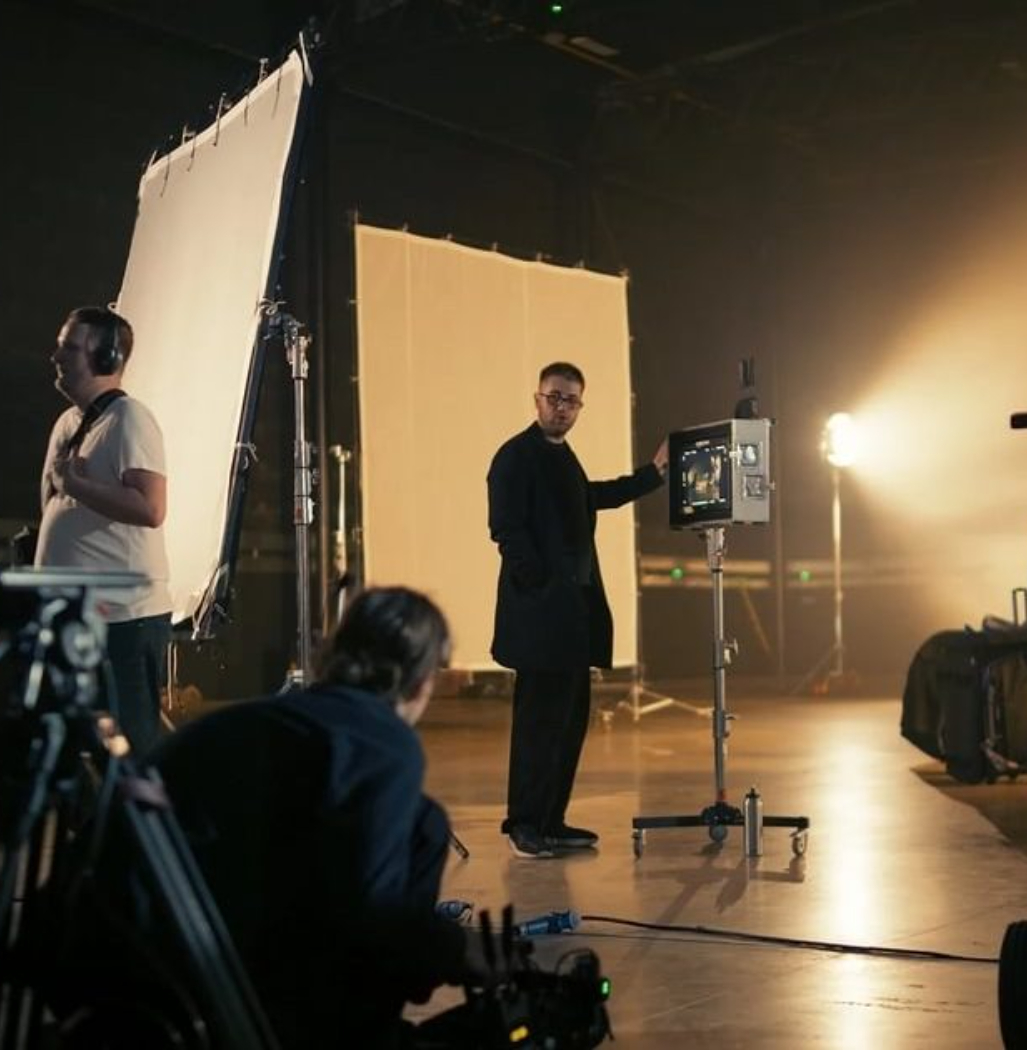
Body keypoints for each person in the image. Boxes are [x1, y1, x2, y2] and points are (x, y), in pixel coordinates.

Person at [150, 587, 473, 1047]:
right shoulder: (383, 745)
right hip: (246, 996)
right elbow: (374, 912)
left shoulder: (249, 724)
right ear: (422, 682)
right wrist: (457, 951)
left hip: (156, 970)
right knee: (427, 827)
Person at [487, 361, 666, 858]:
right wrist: (542, 586)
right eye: (554, 397)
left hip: (572, 619)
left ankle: (551, 820)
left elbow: (593, 497)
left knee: (568, 724)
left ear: (579, 407)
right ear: (537, 399)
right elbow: (506, 529)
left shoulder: (565, 459)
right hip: (541, 618)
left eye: (571, 401)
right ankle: (524, 825)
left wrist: (651, 476)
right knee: (537, 726)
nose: (561, 408)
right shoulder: (515, 456)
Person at [33, 306, 170, 756]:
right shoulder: (67, 423)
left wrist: (77, 486)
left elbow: (151, 507)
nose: (56, 356)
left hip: (123, 622)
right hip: (76, 620)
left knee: (129, 750)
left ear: (107, 357)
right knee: (77, 747)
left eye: (69, 348)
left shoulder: (130, 419)